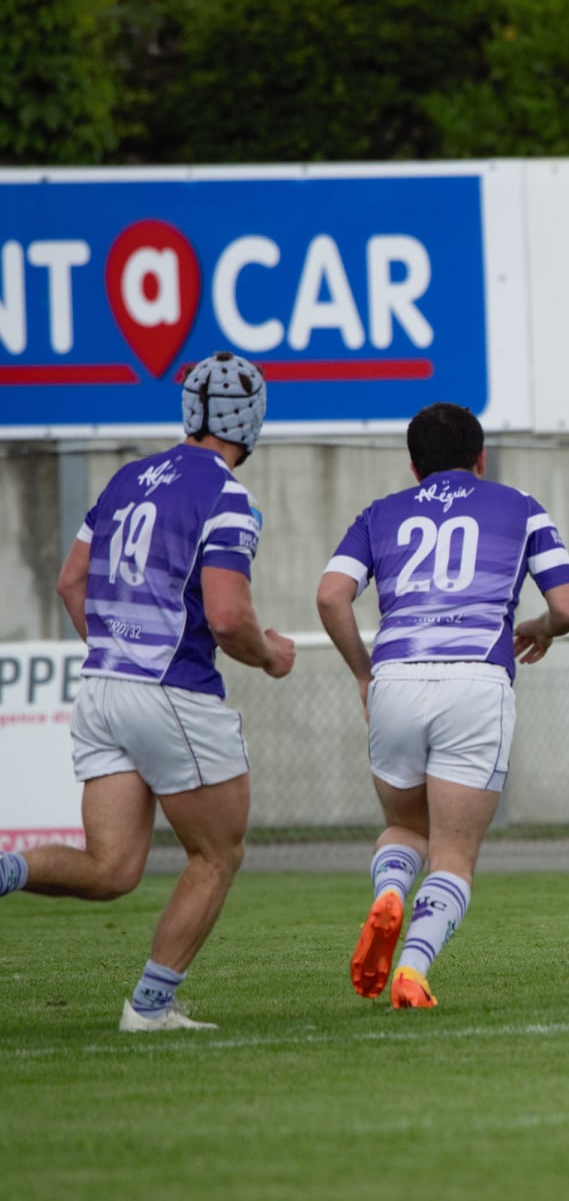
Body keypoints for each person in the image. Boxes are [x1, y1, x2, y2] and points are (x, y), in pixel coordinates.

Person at [0, 352, 295, 1031]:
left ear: (190, 412)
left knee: (111, 870)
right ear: (250, 424)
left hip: (102, 687)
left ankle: (7, 870)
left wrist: (113, 651)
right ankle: (150, 1007)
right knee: (217, 854)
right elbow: (226, 616)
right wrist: (271, 657)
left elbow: (70, 583)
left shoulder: (125, 481)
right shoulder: (226, 497)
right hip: (171, 692)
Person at [316, 403, 569, 1009]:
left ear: (414, 466)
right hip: (474, 683)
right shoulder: (521, 507)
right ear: (480, 459)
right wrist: (539, 626)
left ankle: (389, 894)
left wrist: (364, 672)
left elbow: (331, 596)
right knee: (454, 853)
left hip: (396, 680)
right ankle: (411, 969)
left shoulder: (378, 515)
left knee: (406, 827)